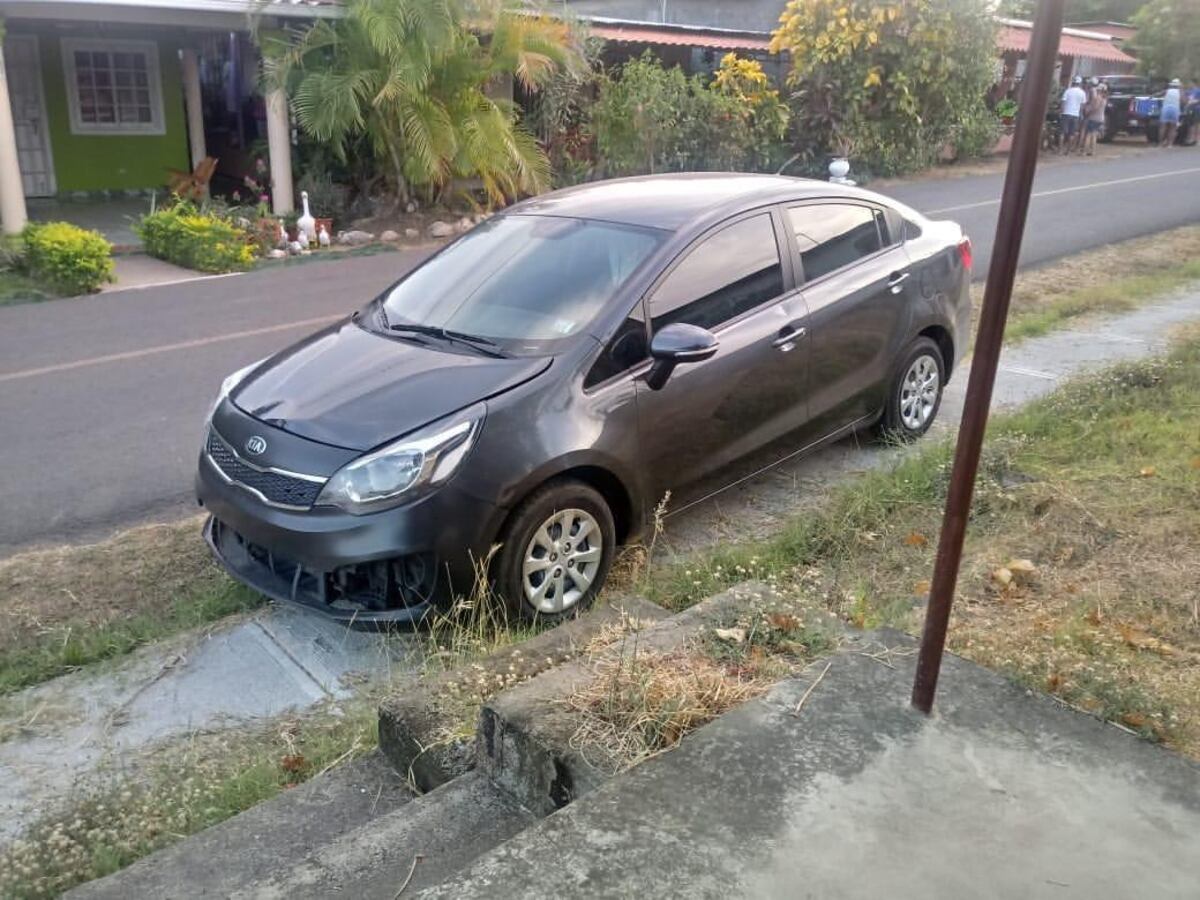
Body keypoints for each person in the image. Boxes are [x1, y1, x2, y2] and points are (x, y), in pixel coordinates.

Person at [1060, 76, 1087, 154]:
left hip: (1066, 113)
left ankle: (1060, 149)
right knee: (1072, 133)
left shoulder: (1068, 91)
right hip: (1075, 115)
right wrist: (1079, 112)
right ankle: (1068, 150)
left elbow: (1063, 102)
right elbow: (1082, 106)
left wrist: (1062, 111)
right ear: (1080, 83)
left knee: (1062, 132)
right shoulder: (1082, 93)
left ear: (1073, 82)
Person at [1083, 80, 1107, 155]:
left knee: (1088, 135)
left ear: (1099, 90)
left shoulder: (1098, 98)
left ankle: (1084, 151)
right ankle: (1092, 151)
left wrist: (1088, 112)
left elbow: (1095, 107)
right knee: (1094, 135)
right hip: (1100, 118)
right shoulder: (1104, 99)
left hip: (1094, 118)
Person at [1160, 78, 1182, 147]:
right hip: (1175, 109)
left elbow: (1158, 95)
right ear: (1178, 85)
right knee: (1173, 127)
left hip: (1166, 109)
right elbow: (1184, 100)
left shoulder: (1167, 91)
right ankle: (1170, 144)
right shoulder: (1180, 92)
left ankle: (1161, 143)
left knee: (1163, 126)